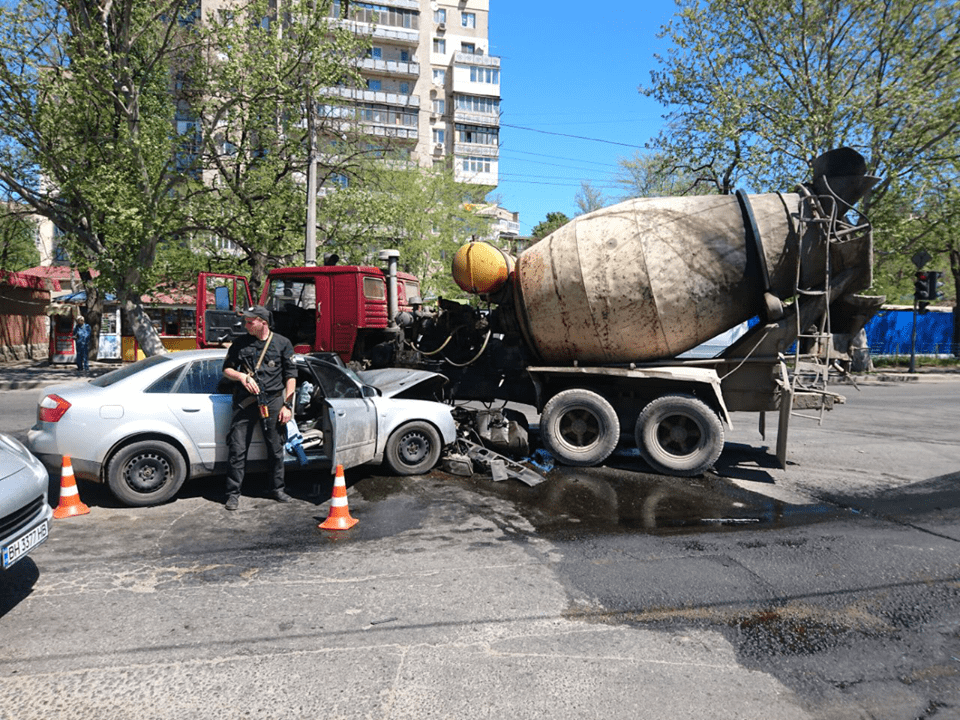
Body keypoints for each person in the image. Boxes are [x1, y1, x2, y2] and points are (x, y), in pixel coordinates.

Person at [221, 305, 297, 511]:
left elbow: (291, 376)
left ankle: (277, 489)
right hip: (245, 401)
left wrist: (287, 405)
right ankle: (232, 494)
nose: (245, 324)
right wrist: (241, 376)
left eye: (249, 321)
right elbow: (226, 369)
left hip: (273, 401)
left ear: (263, 322)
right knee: (237, 449)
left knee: (275, 448)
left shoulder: (282, 343)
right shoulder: (240, 343)